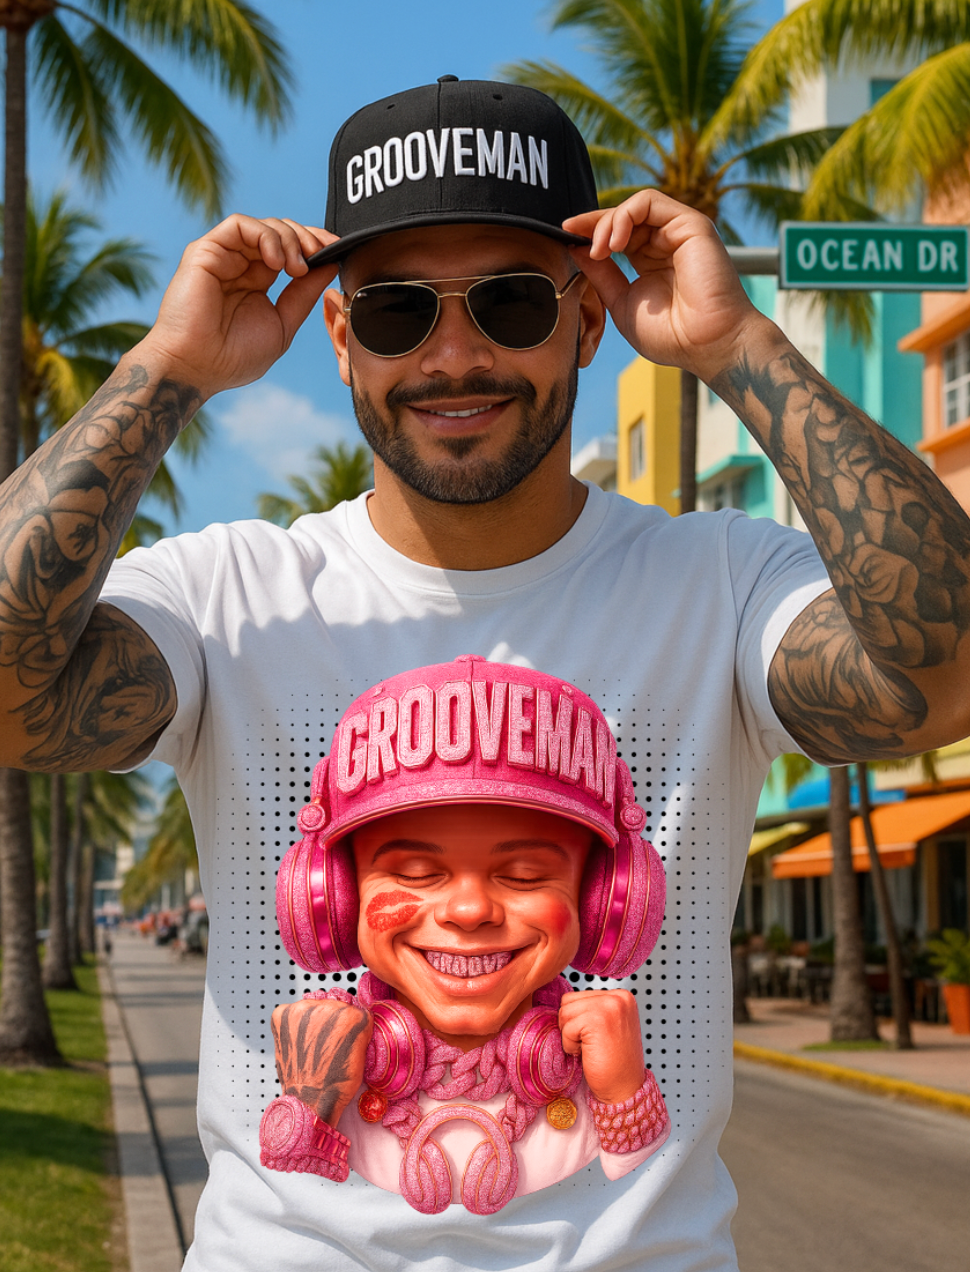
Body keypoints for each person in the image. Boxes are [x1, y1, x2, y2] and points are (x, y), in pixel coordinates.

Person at [1, 74, 969, 1270]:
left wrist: (738, 348)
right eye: (396, 312)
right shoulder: (227, 593)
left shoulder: (721, 583)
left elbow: (941, 680)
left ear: (587, 320)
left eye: (511, 302)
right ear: (340, 339)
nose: (454, 356)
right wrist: (171, 366)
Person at [261, 658, 670, 1214]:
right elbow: (295, 1203)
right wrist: (311, 1100)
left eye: (525, 876)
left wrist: (623, 1091)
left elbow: (637, 1180)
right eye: (414, 874)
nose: (470, 910)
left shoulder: (601, 1061)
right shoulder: (332, 1052)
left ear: (600, 901)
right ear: (337, 898)